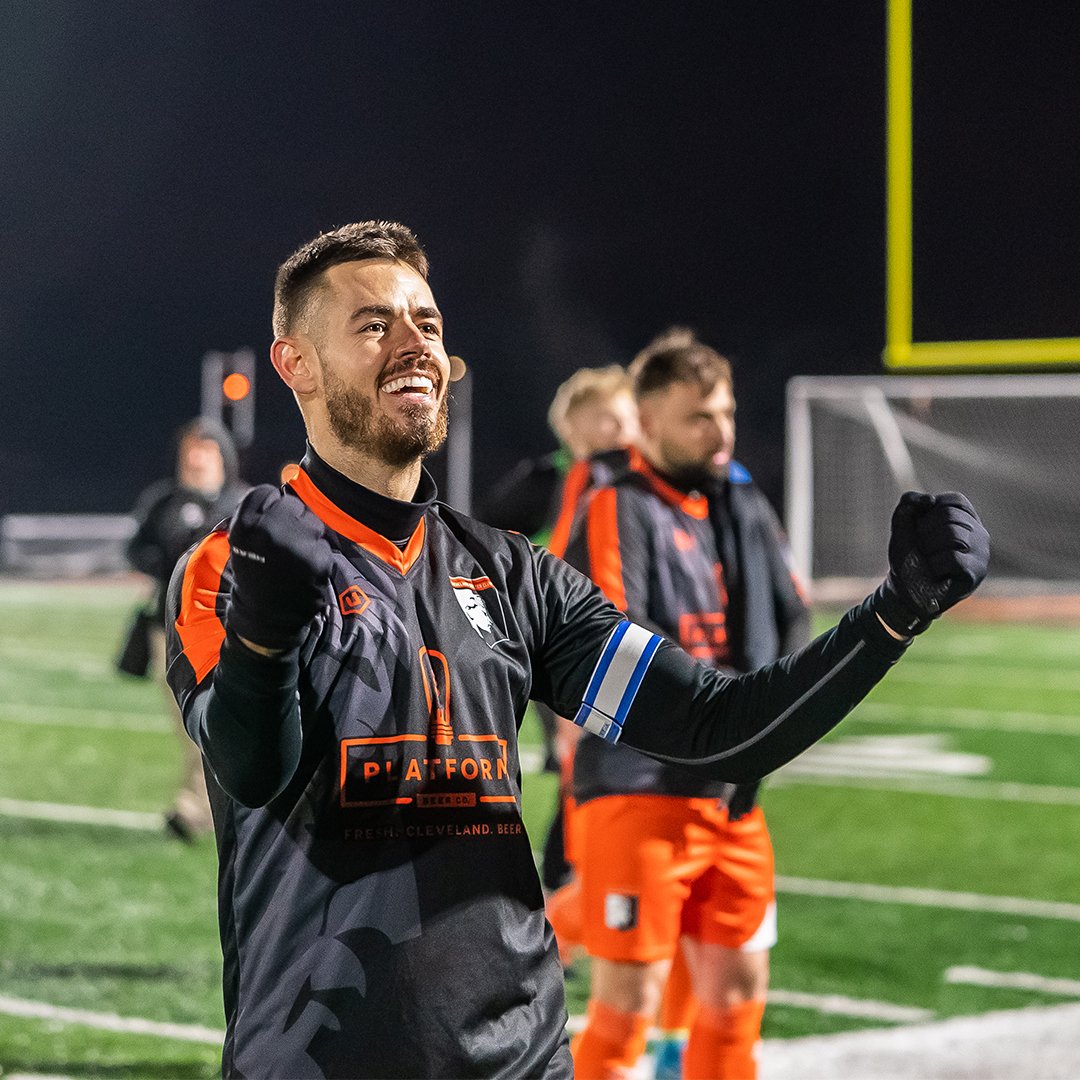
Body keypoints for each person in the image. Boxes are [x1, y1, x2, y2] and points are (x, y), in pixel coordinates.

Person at [164, 220, 988, 1079]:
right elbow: (253, 768)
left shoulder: (511, 573)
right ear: (295, 363)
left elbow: (716, 727)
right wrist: (265, 633)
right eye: (375, 324)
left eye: (428, 323)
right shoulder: (230, 564)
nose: (415, 343)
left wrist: (895, 613)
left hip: (523, 1059)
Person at [553, 329, 809, 1080]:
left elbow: (791, 616)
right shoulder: (616, 504)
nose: (720, 431)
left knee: (735, 1002)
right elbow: (618, 638)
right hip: (641, 787)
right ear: (647, 421)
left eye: (725, 413)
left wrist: (760, 727)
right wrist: (724, 715)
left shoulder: (740, 503)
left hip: (732, 792)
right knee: (626, 1010)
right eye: (699, 416)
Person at [478, 365, 639, 892]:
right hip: (568, 646)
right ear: (576, 426)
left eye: (628, 415)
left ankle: (578, 889)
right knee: (583, 774)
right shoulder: (551, 478)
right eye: (610, 417)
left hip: (624, 642)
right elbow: (481, 537)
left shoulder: (639, 477)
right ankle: (567, 892)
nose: (626, 427)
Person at [126, 416, 247, 840]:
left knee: (226, 722)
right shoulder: (164, 502)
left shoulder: (245, 503)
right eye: (190, 450)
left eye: (206, 449)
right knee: (192, 720)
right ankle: (201, 808)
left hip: (232, 631)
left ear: (223, 456)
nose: (196, 459)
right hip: (172, 629)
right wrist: (170, 563)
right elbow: (136, 549)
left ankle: (200, 808)